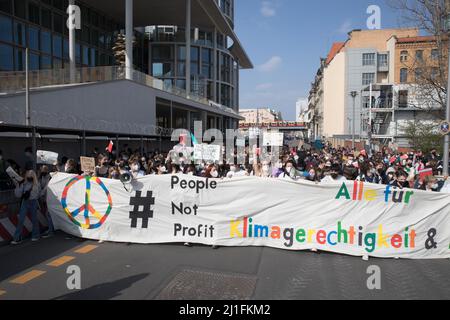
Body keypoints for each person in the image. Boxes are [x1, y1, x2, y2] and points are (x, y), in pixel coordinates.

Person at [11, 170, 41, 244]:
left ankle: (36, 235)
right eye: (28, 175)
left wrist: (28, 193)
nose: (29, 176)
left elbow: (37, 195)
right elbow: (18, 195)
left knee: (34, 219)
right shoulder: (23, 183)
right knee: (21, 219)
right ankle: (17, 238)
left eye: (31, 175)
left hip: (33, 202)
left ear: (33, 176)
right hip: (25, 202)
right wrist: (18, 185)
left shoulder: (37, 184)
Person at [38, 166, 54, 238]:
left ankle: (51, 231)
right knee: (47, 214)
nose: (42, 171)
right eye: (41, 170)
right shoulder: (41, 177)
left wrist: (41, 193)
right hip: (44, 198)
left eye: (44, 170)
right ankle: (50, 229)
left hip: (49, 198)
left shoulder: (49, 177)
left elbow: (46, 187)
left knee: (48, 214)